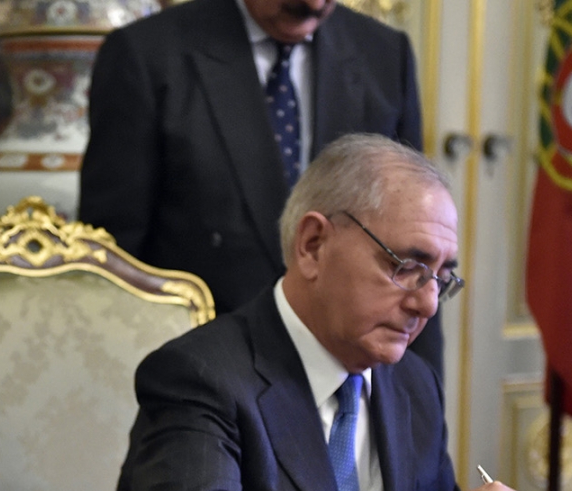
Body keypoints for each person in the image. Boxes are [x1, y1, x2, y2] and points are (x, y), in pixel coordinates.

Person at [112, 134, 544, 491]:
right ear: (314, 245)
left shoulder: (414, 383)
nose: (428, 304)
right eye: (406, 267)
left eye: (441, 278)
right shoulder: (198, 374)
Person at [78, 0, 443, 378]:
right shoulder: (147, 54)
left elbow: (419, 246)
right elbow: (111, 258)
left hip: (352, 377)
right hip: (201, 376)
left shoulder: (385, 54)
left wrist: (426, 406)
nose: (313, 6)